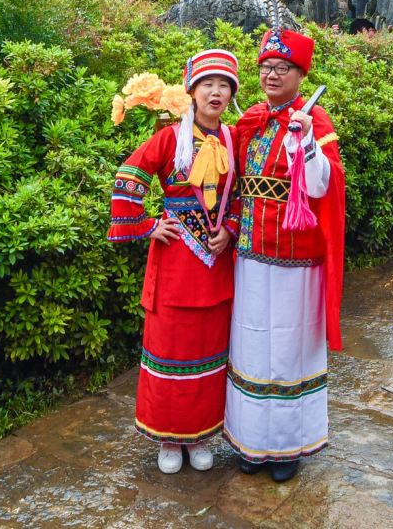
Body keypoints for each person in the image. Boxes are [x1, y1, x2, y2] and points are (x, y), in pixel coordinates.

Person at [108, 49, 241, 473]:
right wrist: (147, 225)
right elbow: (129, 176)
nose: (216, 93)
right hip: (175, 263)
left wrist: (231, 228)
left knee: (209, 352)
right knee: (170, 351)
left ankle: (201, 436)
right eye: (208, 85)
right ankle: (168, 441)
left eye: (224, 86)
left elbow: (240, 196)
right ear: (192, 92)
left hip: (216, 263)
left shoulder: (235, 138)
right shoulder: (169, 138)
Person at [223, 27, 346, 482]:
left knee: (290, 348)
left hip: (298, 260)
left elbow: (321, 187)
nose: (271, 75)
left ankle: (287, 448)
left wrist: (306, 143)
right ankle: (252, 443)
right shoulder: (251, 121)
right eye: (266, 67)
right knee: (252, 343)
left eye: (282, 68)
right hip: (251, 254)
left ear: (300, 73)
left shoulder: (317, 122)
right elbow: (227, 184)